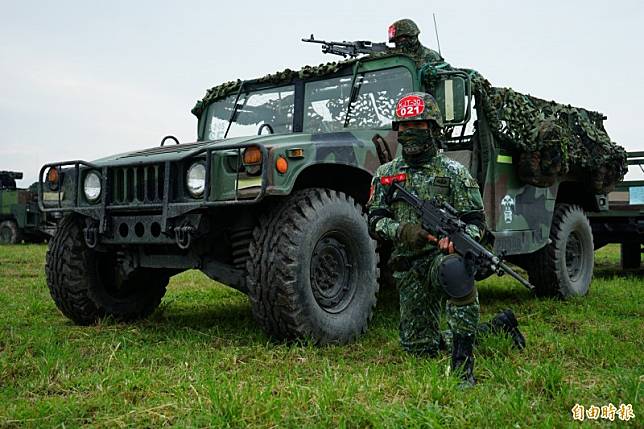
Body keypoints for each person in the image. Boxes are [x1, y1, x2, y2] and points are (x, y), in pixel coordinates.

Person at [367, 92, 525, 386]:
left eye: (416, 125)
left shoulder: (454, 173)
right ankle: (498, 327)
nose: (406, 131)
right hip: (407, 267)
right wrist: (401, 231)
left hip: (439, 260)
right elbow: (374, 220)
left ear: (433, 129)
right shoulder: (386, 175)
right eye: (401, 126)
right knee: (419, 348)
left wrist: (459, 240)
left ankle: (463, 367)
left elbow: (477, 222)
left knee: (455, 267)